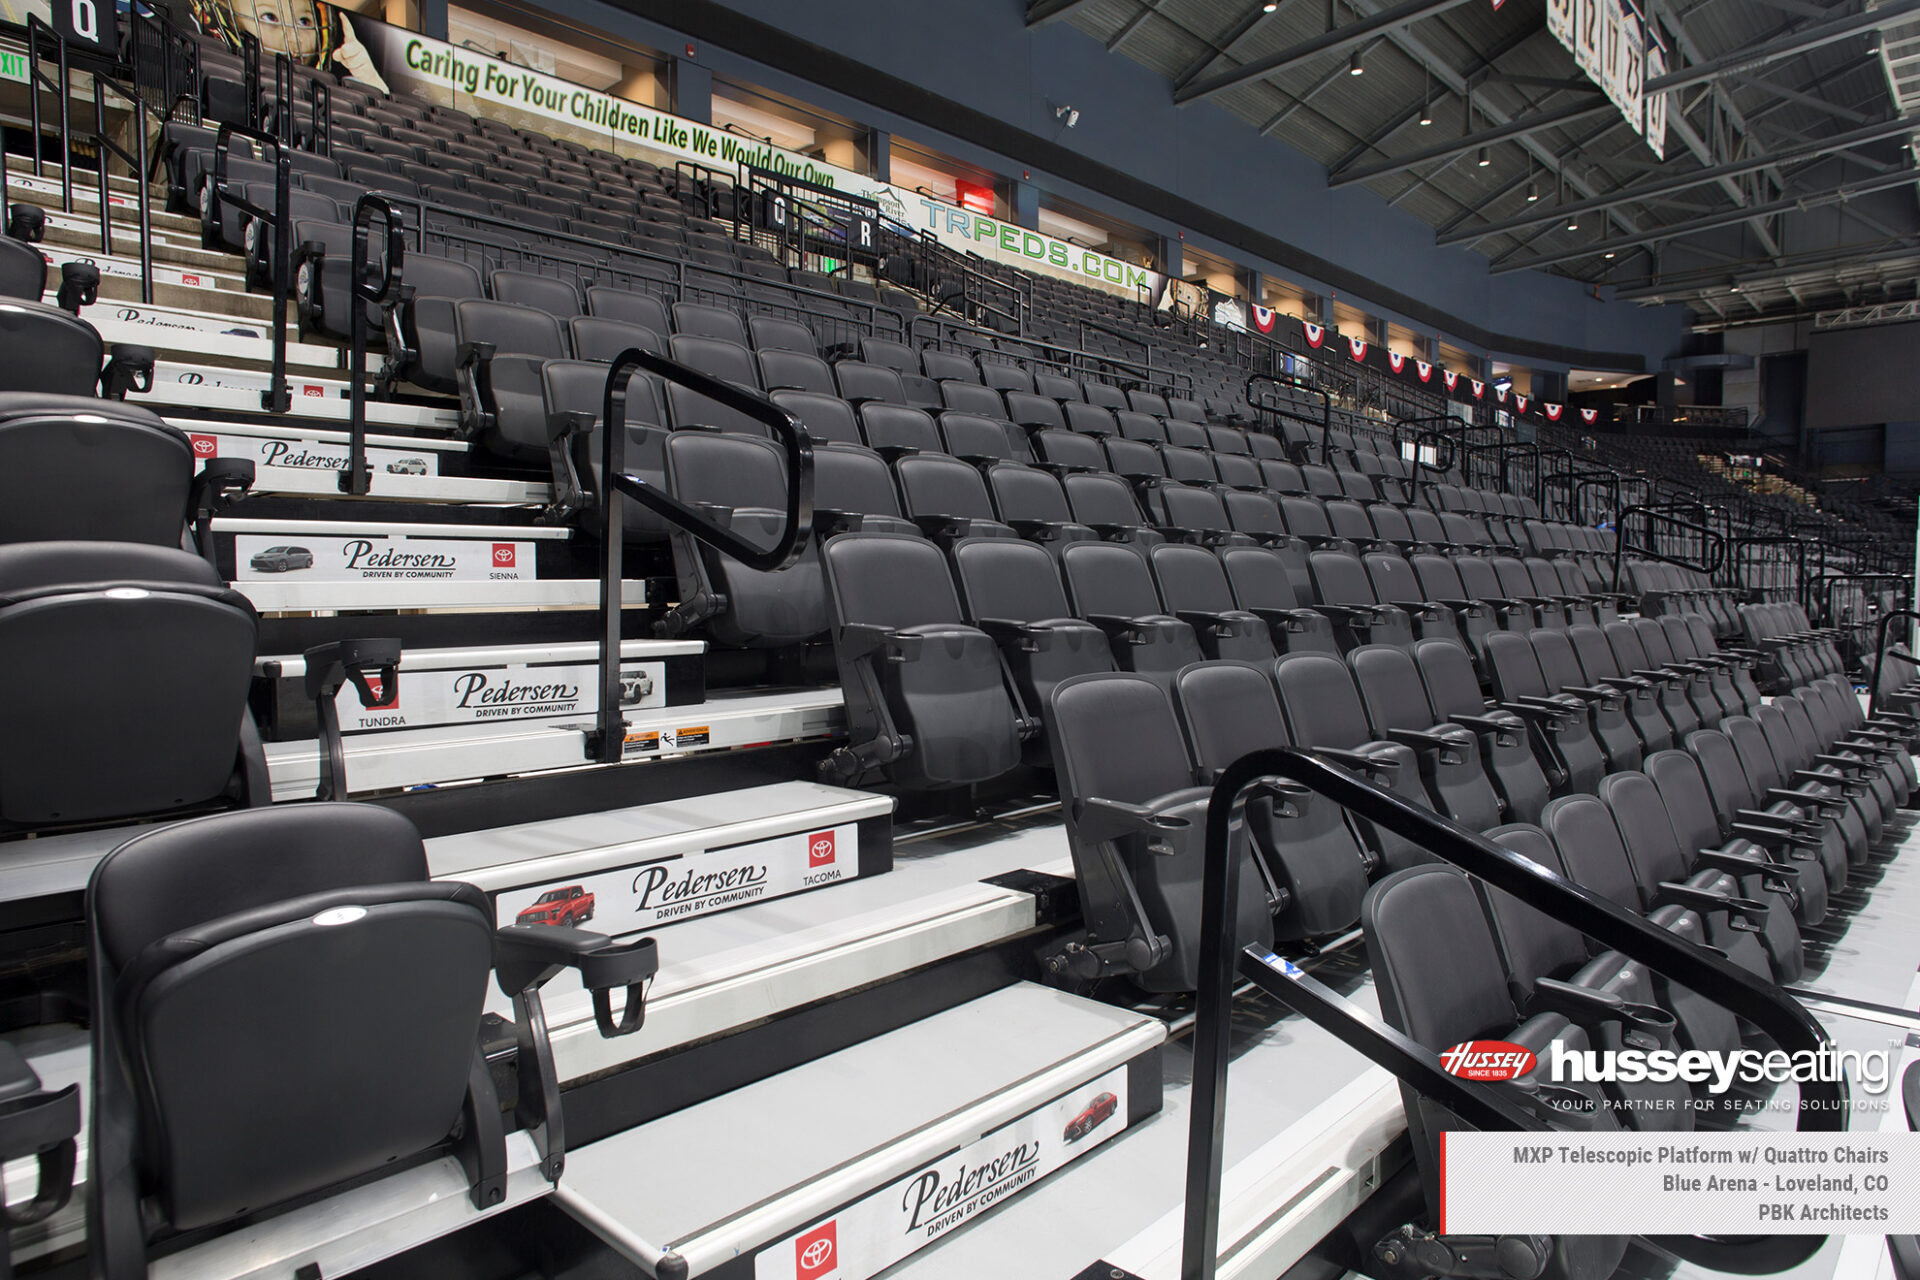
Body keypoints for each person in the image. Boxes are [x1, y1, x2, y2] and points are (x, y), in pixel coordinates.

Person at [189, 0, 388, 92]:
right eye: (269, 17)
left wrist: (370, 79)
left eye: (304, 21)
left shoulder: (329, 89)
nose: (293, 38)